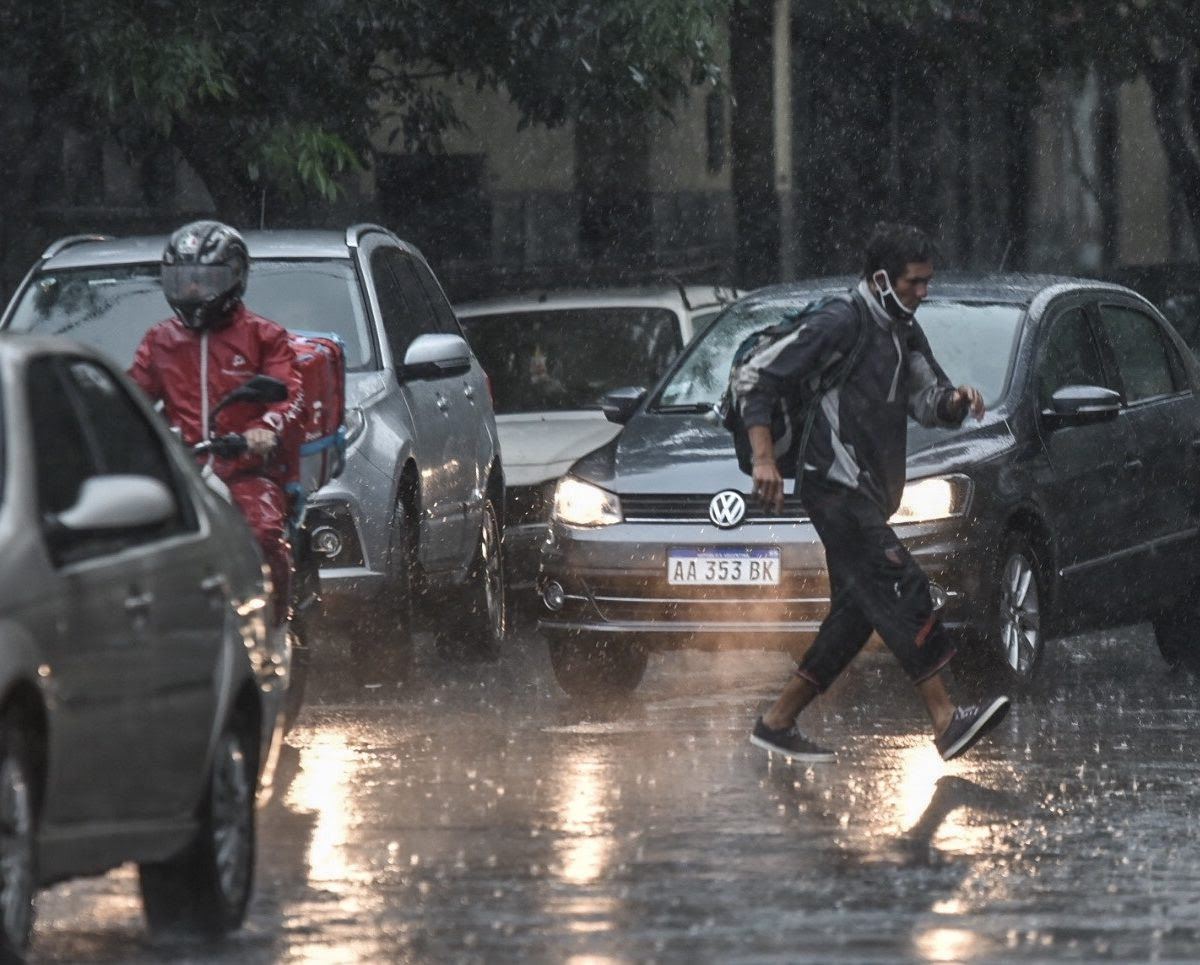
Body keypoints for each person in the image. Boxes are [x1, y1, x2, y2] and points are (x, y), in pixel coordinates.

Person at [742, 222, 1009, 763]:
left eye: (928, 282)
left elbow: (928, 400)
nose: (923, 292)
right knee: (901, 583)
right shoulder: (842, 320)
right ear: (883, 278)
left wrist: (960, 400)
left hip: (870, 492)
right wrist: (764, 459)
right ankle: (944, 721)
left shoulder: (904, 329)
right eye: (915, 282)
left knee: (855, 615)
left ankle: (776, 723)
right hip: (833, 486)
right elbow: (758, 380)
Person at [130, 220, 304, 622]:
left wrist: (264, 429)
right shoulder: (160, 341)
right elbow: (132, 395)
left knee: (261, 533)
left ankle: (279, 622)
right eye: (183, 279)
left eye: (205, 279)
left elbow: (288, 393)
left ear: (236, 277)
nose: (192, 290)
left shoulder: (265, 336)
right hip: (184, 472)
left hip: (247, 471)